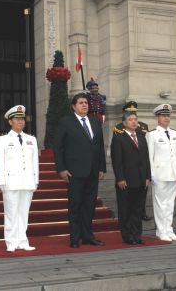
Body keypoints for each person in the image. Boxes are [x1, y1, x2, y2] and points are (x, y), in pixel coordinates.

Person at [54, 92, 106, 248]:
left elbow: (100, 146)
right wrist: (62, 169)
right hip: (74, 172)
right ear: (73, 106)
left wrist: (102, 167)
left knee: (89, 205)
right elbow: (58, 147)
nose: (85, 105)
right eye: (81, 103)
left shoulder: (95, 121)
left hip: (93, 171)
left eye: (86, 103)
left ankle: (88, 236)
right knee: (75, 206)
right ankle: (75, 238)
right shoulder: (65, 122)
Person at [0, 105, 39, 252]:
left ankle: (23, 241)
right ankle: (11, 242)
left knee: (23, 213)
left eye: (22, 119)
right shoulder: (2, 140)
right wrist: (1, 182)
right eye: (17, 119)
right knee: (11, 213)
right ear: (10, 121)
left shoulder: (31, 139)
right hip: (11, 182)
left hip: (27, 181)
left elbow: (34, 163)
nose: (20, 121)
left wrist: (36, 180)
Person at [111, 111, 151, 245]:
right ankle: (127, 235)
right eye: (130, 120)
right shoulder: (119, 138)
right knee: (126, 209)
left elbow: (146, 159)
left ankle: (137, 234)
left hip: (141, 180)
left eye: (135, 119)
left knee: (138, 209)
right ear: (124, 123)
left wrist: (147, 176)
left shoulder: (141, 136)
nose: (134, 122)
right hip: (126, 181)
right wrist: (120, 178)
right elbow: (117, 160)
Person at [146, 104, 176, 241]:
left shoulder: (175, 134)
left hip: (173, 174)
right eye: (163, 116)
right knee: (160, 204)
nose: (166, 118)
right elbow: (150, 156)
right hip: (160, 174)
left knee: (170, 203)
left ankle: (169, 229)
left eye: (168, 115)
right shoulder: (152, 134)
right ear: (157, 118)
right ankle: (161, 231)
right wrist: (152, 175)